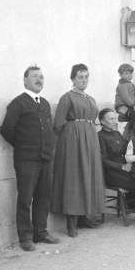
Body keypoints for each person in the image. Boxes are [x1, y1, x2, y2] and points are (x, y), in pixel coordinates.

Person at [0, 65, 60, 252]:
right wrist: (24, 146)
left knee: (44, 197)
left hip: (46, 159)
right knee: (25, 198)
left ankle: (40, 232)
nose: (39, 80)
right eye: (34, 76)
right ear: (25, 80)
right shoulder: (18, 103)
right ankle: (25, 237)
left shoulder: (44, 103)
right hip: (27, 160)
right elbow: (7, 129)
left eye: (41, 77)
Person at [51, 63, 106, 238]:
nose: (84, 80)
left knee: (88, 176)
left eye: (86, 77)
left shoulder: (91, 99)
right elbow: (58, 124)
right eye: (80, 77)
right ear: (73, 79)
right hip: (73, 140)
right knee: (74, 177)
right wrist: (70, 139)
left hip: (90, 138)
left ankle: (85, 217)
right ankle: (71, 223)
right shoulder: (67, 97)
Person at [114, 63, 135, 135]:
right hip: (122, 105)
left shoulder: (128, 83)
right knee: (134, 116)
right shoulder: (122, 84)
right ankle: (130, 132)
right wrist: (133, 105)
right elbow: (125, 97)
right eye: (126, 73)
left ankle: (123, 117)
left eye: (130, 73)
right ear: (121, 75)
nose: (129, 75)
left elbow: (133, 94)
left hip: (128, 105)